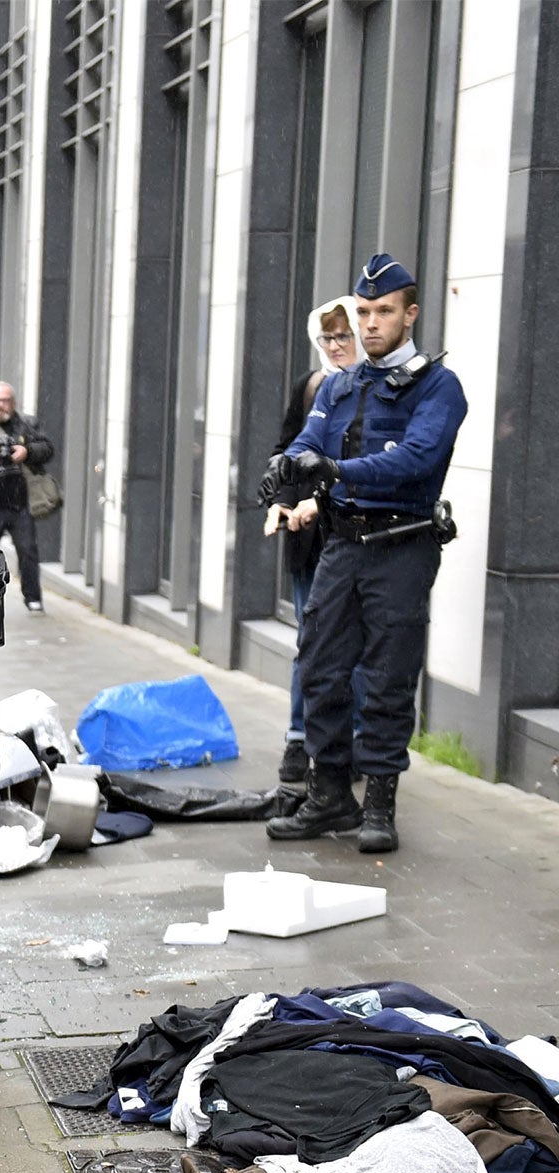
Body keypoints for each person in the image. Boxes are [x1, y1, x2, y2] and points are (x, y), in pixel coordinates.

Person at [263, 254, 467, 854]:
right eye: (365, 312)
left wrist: (334, 467)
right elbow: (309, 438)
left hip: (401, 546)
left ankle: (379, 804)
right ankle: (329, 797)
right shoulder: (340, 382)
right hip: (341, 543)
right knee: (320, 666)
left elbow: (416, 460)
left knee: (385, 675)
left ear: (410, 314)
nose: (371, 323)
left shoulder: (438, 386)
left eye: (384, 312)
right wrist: (286, 466)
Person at [267, 295, 363, 784]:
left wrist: (321, 496)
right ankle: (298, 740)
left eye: (344, 335)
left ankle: (357, 746)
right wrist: (280, 499)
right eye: (328, 337)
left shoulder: (378, 390)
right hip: (311, 540)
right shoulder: (310, 387)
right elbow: (286, 450)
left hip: (362, 538)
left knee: (362, 649)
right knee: (311, 642)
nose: (337, 345)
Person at [0, 381, 54, 612]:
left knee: (28, 552)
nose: (1, 406)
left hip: (21, 504)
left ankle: (33, 599)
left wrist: (27, 452)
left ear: (13, 402)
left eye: (5, 401)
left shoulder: (27, 424)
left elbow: (47, 449)